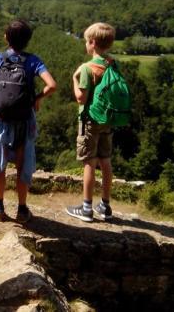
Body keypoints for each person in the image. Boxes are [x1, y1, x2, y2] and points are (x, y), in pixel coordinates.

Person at [0, 19, 56, 223]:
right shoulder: (33, 61)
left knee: (0, 162)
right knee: (22, 164)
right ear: (28, 40)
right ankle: (22, 210)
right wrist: (36, 99)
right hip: (24, 121)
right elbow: (52, 85)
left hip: (1, 121)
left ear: (6, 37)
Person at [66, 22, 117, 222]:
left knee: (89, 162)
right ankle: (105, 206)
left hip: (90, 121)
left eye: (87, 41)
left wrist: (74, 79)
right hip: (108, 119)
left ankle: (86, 208)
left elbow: (81, 98)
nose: (86, 45)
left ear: (93, 43)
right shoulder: (113, 64)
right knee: (105, 160)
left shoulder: (88, 68)